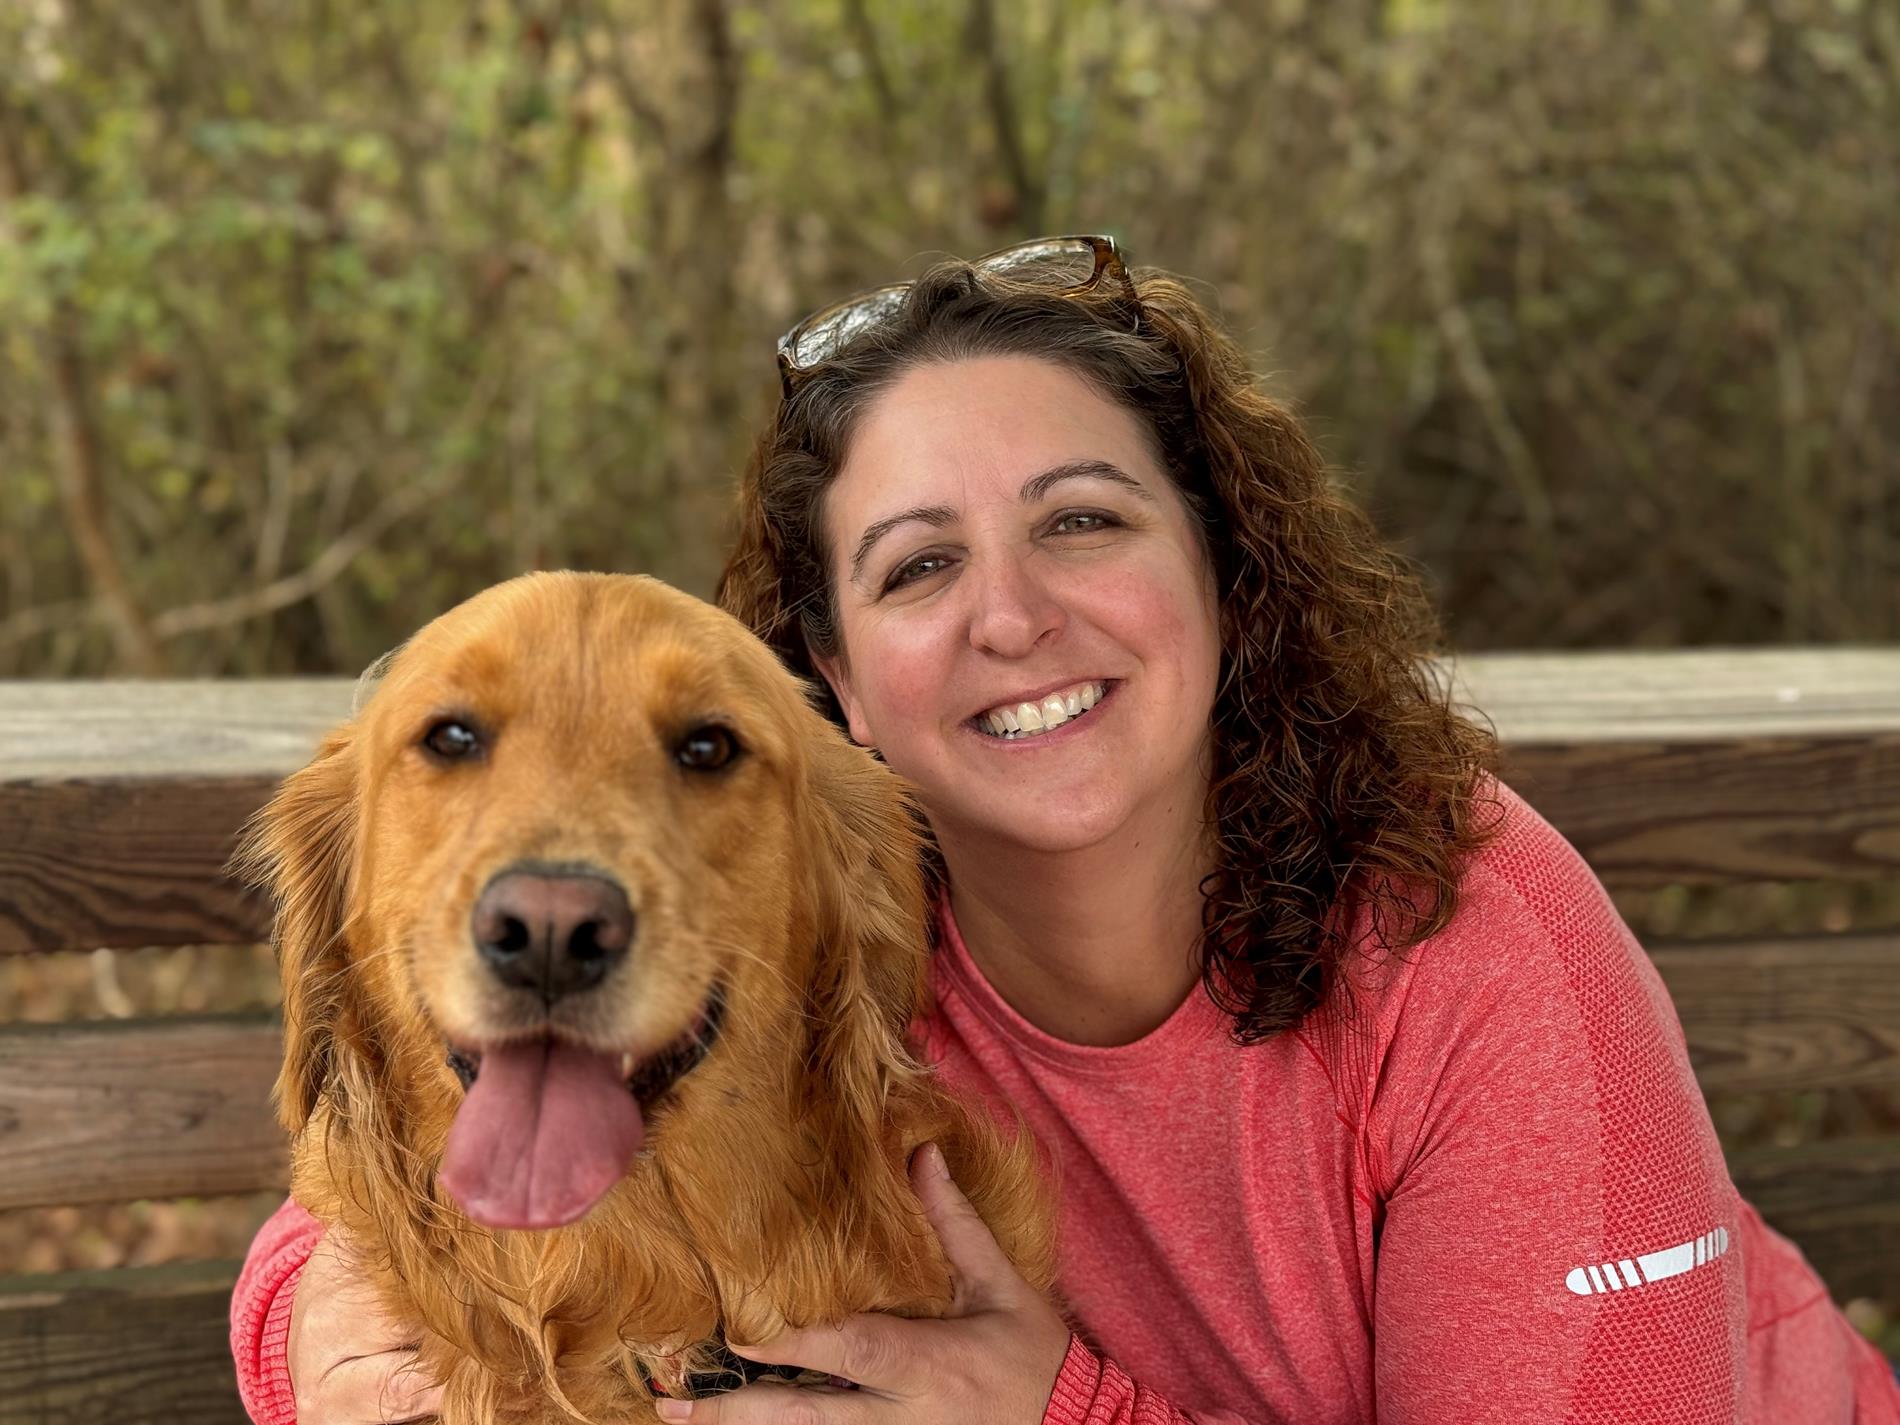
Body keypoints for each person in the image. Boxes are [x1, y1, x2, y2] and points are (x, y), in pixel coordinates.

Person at [231, 235, 1900, 1424]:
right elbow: (449, 1091)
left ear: (1224, 576)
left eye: (1081, 523)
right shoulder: (814, 908)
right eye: (919, 565)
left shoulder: (1477, 937)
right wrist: (295, 1317)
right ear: (838, 675)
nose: (1013, 616)